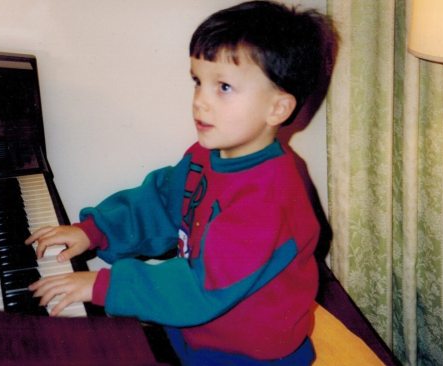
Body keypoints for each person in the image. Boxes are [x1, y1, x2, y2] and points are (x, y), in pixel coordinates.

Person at [26, 1, 332, 364]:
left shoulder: (269, 198)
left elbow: (203, 286)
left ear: (277, 109)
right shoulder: (207, 156)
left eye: (224, 87)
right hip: (194, 329)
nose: (200, 101)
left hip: (250, 353)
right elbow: (160, 201)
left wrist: (103, 285)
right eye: (198, 81)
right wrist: (95, 231)